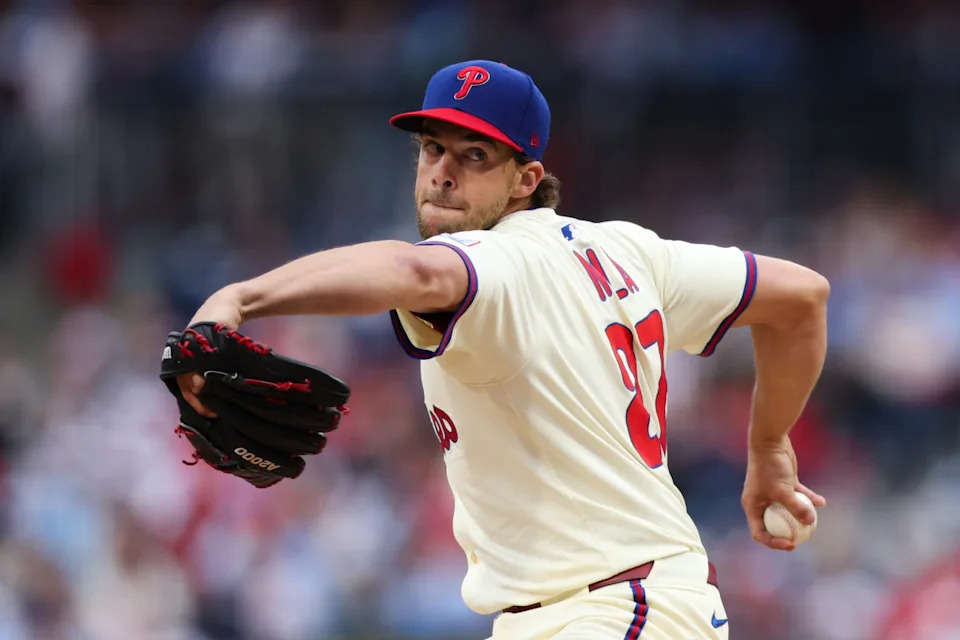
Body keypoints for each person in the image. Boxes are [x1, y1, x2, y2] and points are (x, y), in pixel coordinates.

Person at [177, 60, 829, 640]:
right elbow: (800, 297)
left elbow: (415, 273)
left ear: (527, 177)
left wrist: (242, 297)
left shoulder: (495, 259)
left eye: (475, 156)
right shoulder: (628, 251)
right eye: (432, 148)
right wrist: (769, 444)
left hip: (615, 606)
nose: (442, 173)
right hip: (592, 608)